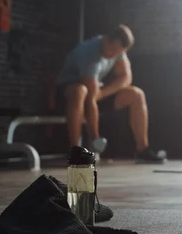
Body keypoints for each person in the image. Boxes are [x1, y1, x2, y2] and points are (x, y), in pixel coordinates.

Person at [56, 24, 166, 164]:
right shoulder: (89, 52)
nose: (114, 55)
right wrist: (96, 137)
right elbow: (90, 97)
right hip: (68, 93)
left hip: (95, 93)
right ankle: (75, 152)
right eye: (112, 50)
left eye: (118, 53)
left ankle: (143, 150)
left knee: (136, 94)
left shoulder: (118, 51)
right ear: (107, 40)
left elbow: (126, 77)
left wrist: (103, 93)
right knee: (81, 91)